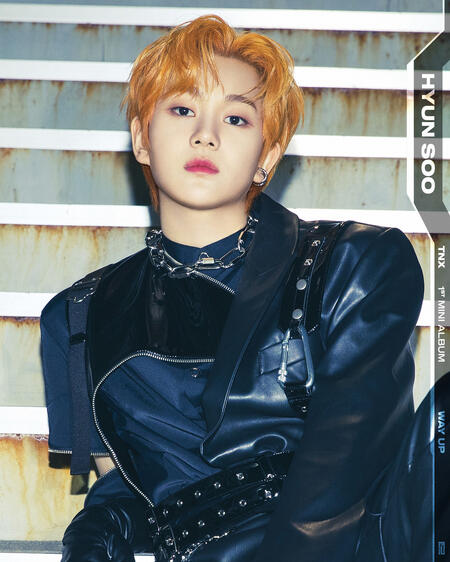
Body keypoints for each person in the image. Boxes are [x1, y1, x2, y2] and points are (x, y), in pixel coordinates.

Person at [40, 14, 426, 562]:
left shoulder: (353, 261)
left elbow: (349, 465)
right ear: (141, 139)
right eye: (182, 109)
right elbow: (124, 488)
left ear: (267, 156)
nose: (206, 134)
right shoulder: (78, 315)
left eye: (237, 118)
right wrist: (91, 537)